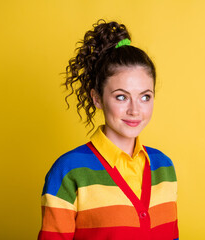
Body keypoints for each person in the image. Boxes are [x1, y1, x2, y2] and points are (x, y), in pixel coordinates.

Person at [38, 19, 179, 240]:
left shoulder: (164, 168)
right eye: (121, 97)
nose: (135, 110)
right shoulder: (69, 171)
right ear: (97, 98)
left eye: (145, 97)